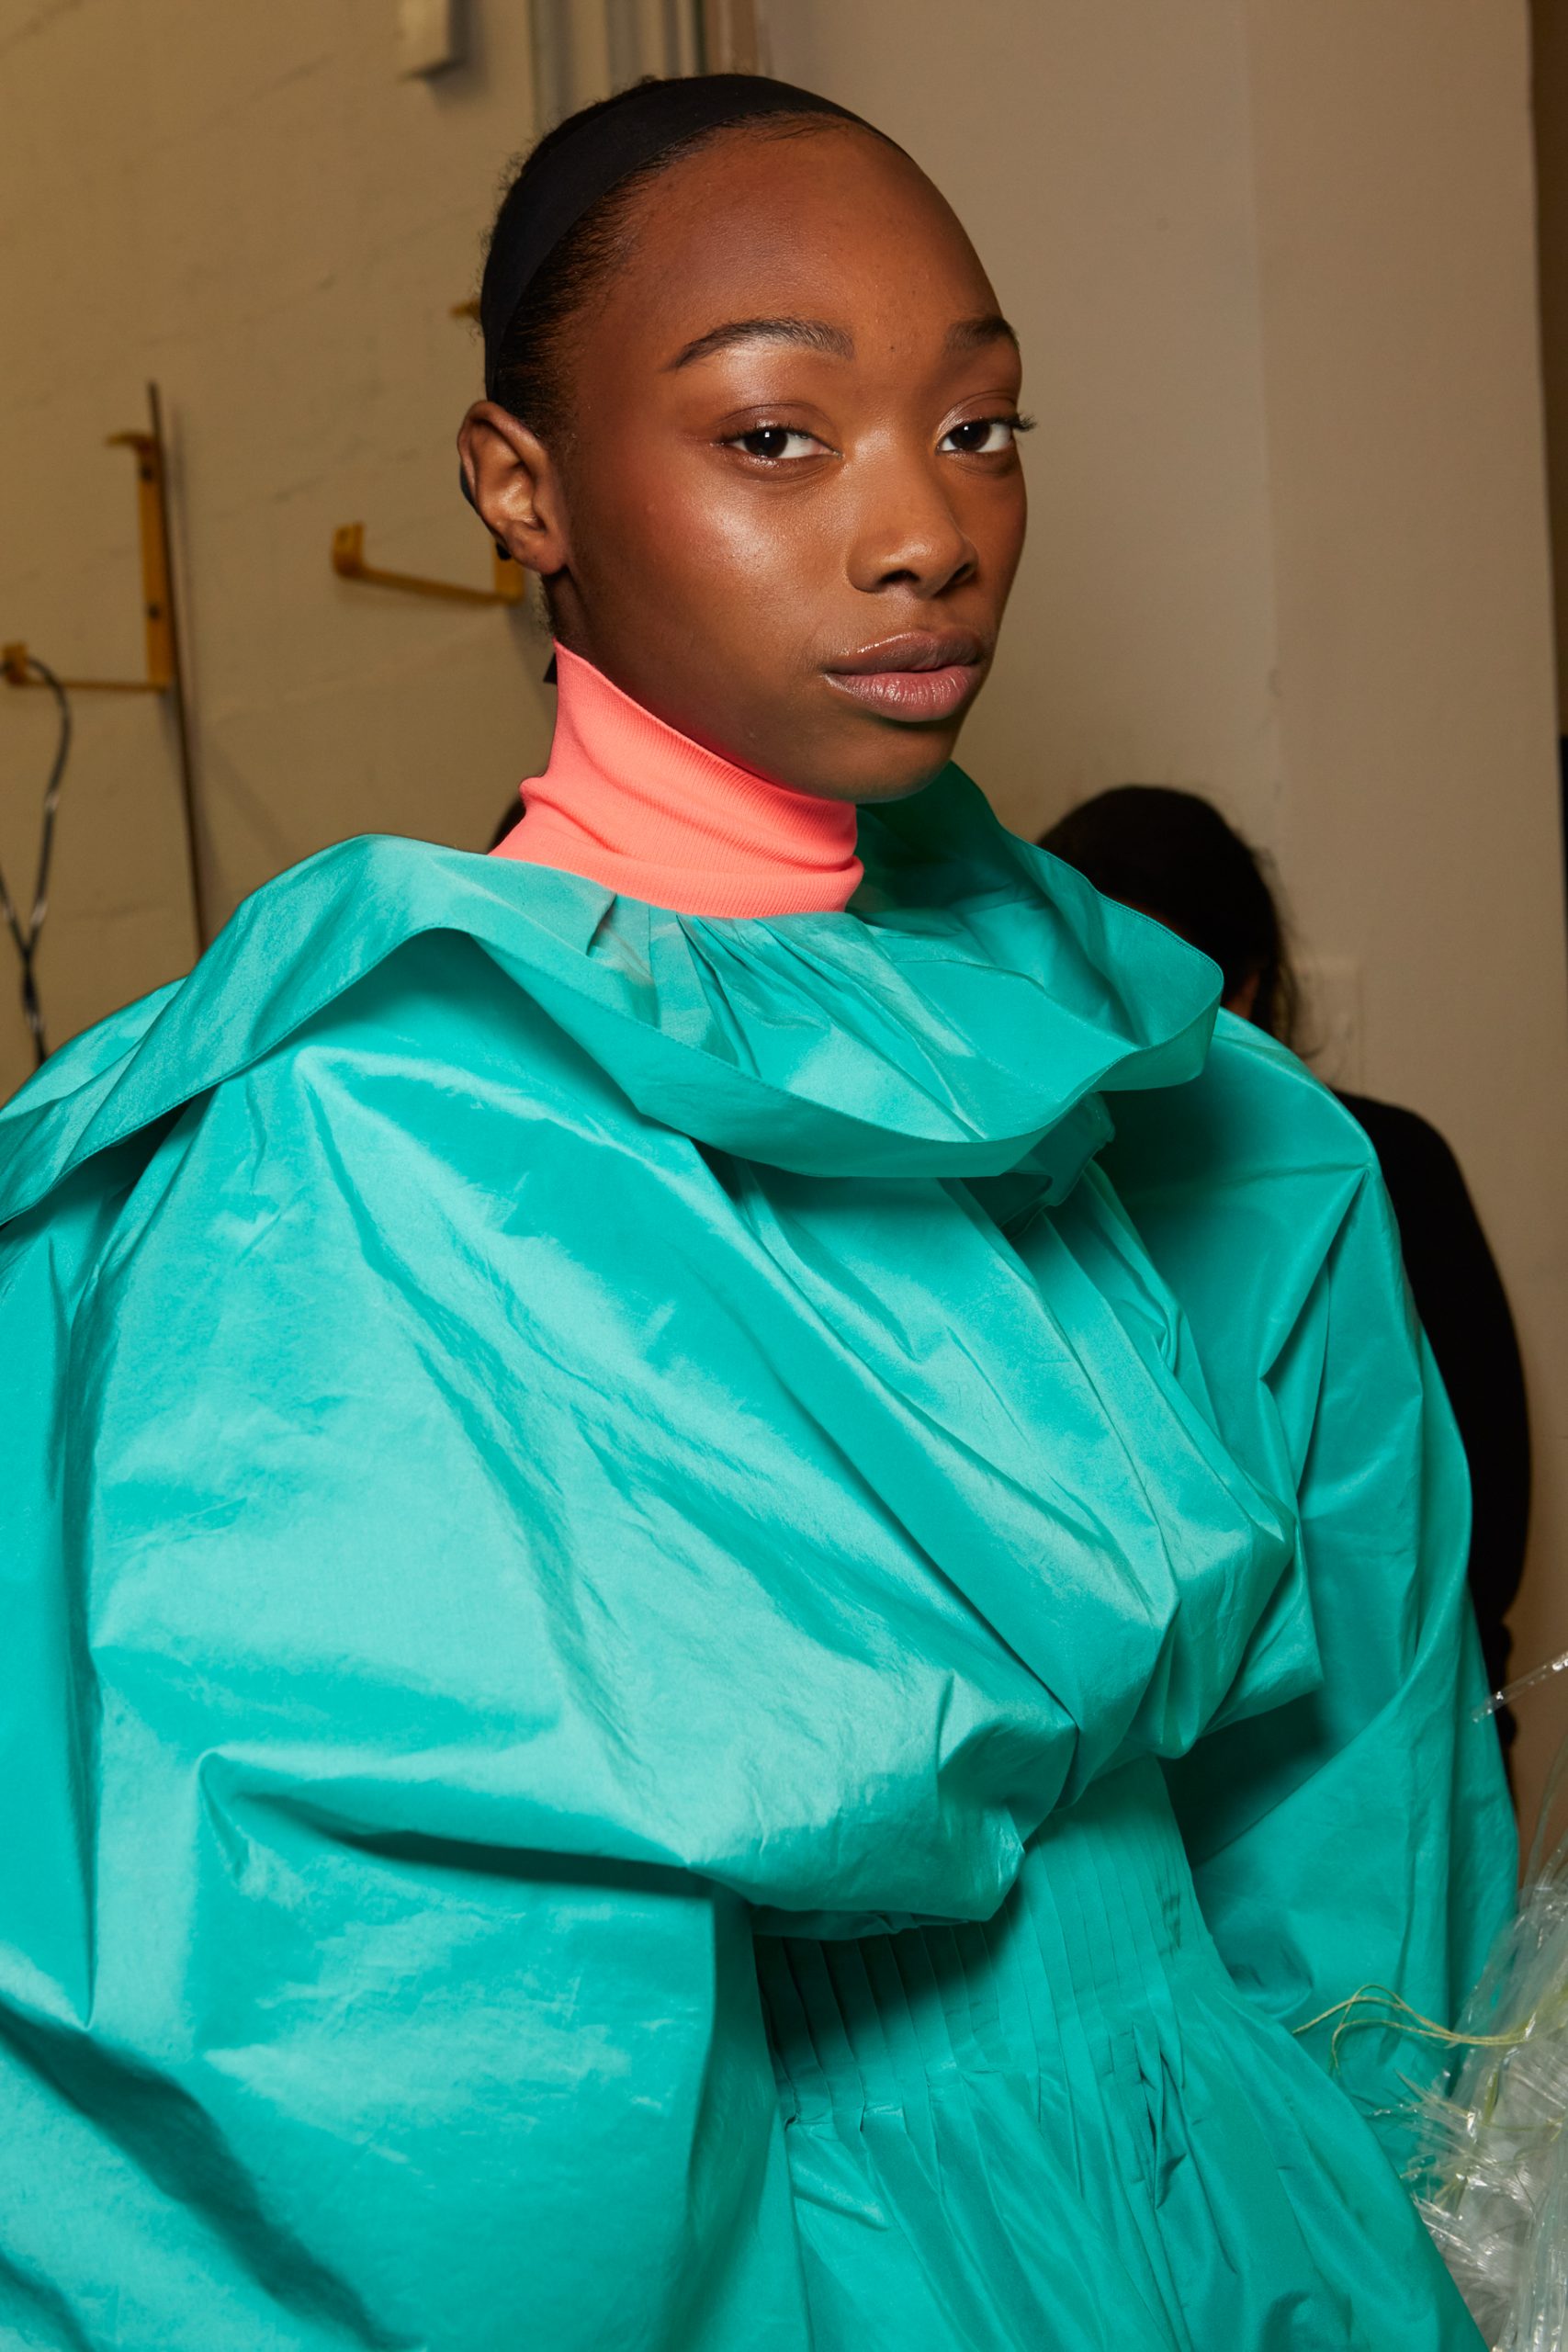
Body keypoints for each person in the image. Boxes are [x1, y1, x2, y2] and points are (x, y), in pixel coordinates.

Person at [0, 74, 1513, 2352]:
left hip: (1252, 2215)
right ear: (520, 485)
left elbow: (1353, 1803)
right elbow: (371, 2081)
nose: (921, 531)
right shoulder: (349, 1164)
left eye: (977, 427)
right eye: (774, 437)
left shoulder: (1185, 1102)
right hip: (799, 2268)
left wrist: (1388, 2228)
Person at [1040, 784, 1531, 1755]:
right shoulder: (1031, 1187)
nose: (1123, 1035)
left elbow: (1480, 1518)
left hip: (1380, 1730)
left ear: (1247, 991)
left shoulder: (1374, 1169)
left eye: (1163, 988)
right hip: (1133, 1751)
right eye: (1084, 989)